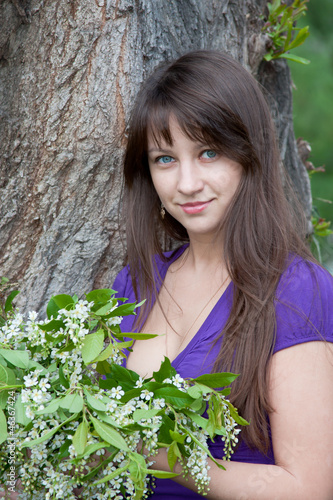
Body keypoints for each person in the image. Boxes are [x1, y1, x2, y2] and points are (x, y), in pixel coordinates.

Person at [112, 50, 333, 499]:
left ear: (248, 156)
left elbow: (309, 489)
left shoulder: (294, 290)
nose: (187, 183)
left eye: (208, 152)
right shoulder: (133, 284)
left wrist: (151, 452)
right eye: (164, 159)